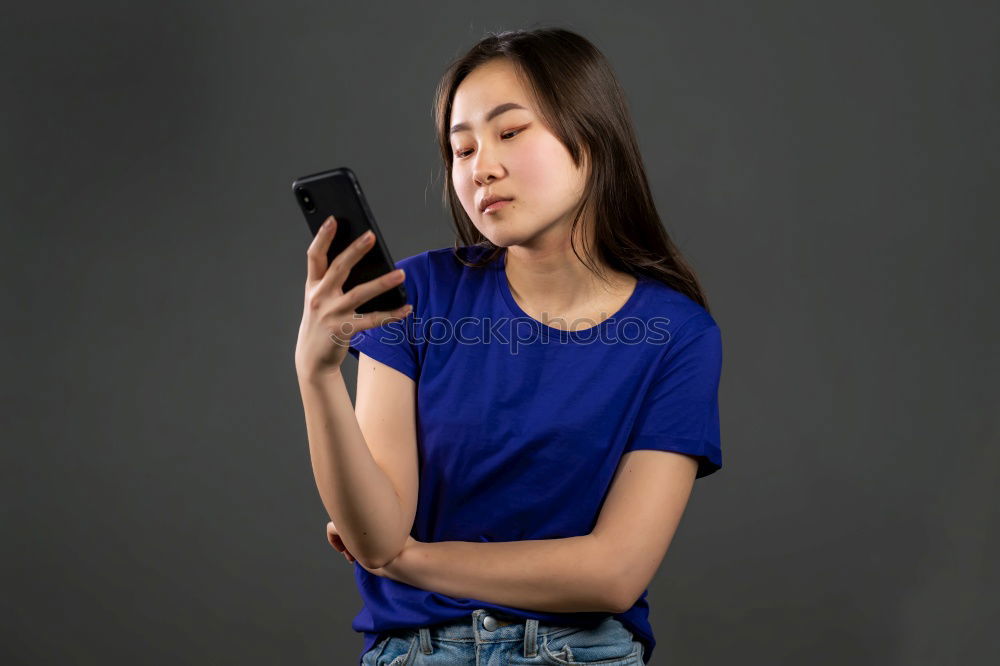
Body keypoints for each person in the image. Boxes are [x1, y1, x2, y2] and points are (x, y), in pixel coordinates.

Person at [296, 27, 724, 666]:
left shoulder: (676, 334)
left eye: (510, 132)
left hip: (580, 655)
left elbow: (612, 573)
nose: (480, 167)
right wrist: (317, 373)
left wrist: (410, 560)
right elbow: (378, 531)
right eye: (460, 148)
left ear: (591, 134)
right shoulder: (417, 294)